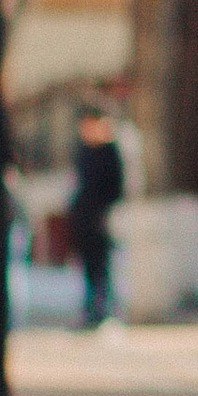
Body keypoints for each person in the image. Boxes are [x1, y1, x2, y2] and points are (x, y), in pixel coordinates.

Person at [68, 106, 125, 331]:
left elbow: (117, 187)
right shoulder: (83, 151)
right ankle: (90, 310)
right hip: (84, 217)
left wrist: (106, 213)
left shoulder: (110, 151)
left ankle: (105, 311)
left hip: (102, 219)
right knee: (88, 268)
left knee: (105, 267)